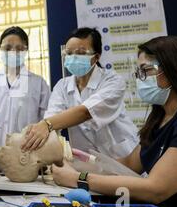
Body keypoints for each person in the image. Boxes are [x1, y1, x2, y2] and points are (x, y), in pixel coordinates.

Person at [51, 36, 177, 207]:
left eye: (146, 70)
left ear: (175, 70)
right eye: (138, 72)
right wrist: (79, 163)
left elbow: (156, 189)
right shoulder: (160, 117)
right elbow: (130, 163)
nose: (140, 79)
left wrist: (77, 178)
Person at [22, 28, 139, 158]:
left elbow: (85, 112)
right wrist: (38, 134)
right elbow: (53, 119)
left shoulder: (113, 81)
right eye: (69, 53)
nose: (73, 58)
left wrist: (46, 124)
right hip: (87, 162)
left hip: (122, 158)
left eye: (81, 53)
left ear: (96, 57)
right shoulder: (62, 86)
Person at [0, 26, 50, 173]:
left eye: (18, 48)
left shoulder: (38, 83)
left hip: (27, 160)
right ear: (0, 49)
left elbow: (47, 123)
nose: (12, 52)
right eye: (8, 48)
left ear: (25, 50)